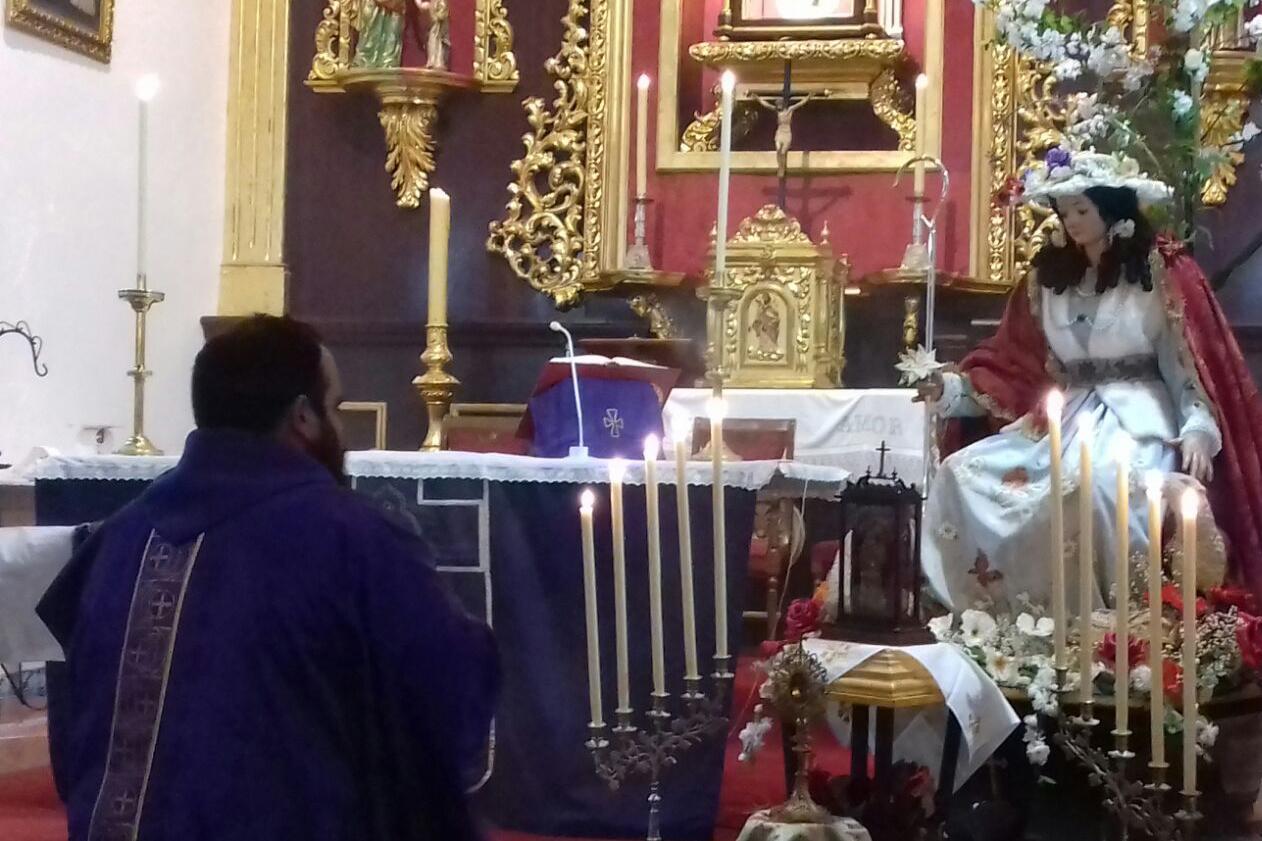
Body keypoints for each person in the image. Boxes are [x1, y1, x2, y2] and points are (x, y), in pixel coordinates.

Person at [37, 315, 499, 841]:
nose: (339, 426)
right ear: (303, 417)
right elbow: (443, 692)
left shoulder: (116, 537)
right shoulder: (355, 539)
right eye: (335, 408)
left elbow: (76, 714)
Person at [918, 148, 1262, 612]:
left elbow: (1188, 369)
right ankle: (1012, 611)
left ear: (1111, 207)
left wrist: (1198, 430)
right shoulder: (1048, 280)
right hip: (1062, 423)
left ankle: (1108, 615)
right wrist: (952, 390)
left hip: (1138, 427)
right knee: (962, 473)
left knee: (1097, 490)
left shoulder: (1159, 274)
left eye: (1082, 209)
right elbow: (1012, 365)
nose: (1072, 221)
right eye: (1064, 211)